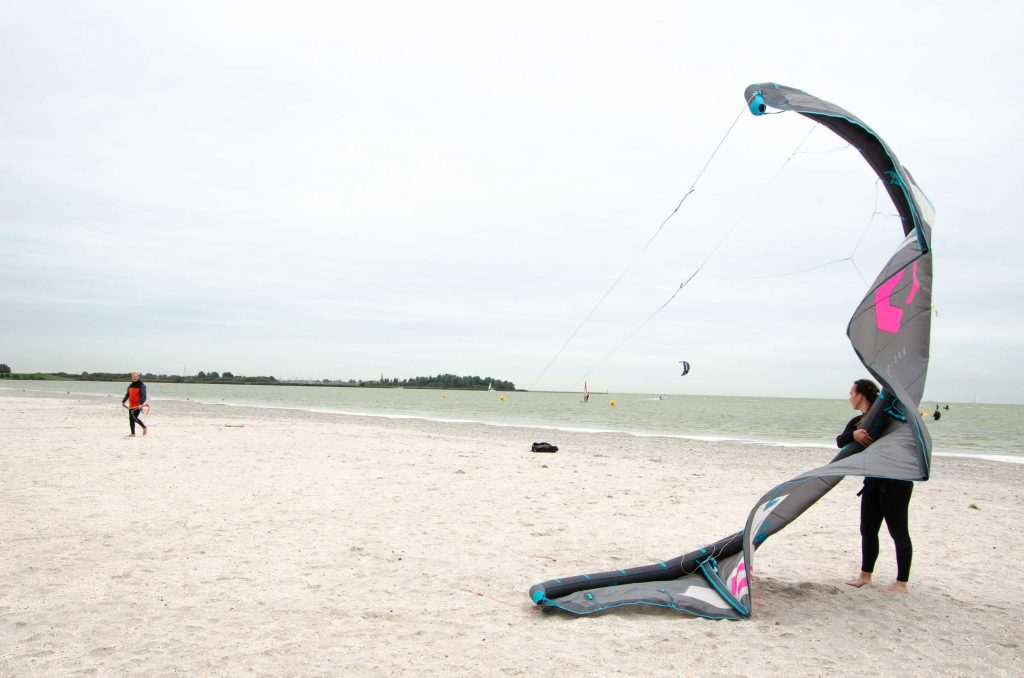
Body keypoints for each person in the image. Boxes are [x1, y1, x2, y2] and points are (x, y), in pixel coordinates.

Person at [838, 378, 913, 594]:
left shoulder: (887, 417)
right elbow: (840, 441)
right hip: (872, 481)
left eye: (852, 393)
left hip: (896, 482)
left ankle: (901, 584)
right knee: (868, 530)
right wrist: (854, 435)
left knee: (898, 531)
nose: (850, 397)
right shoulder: (858, 422)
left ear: (861, 395)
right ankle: (865, 576)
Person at [122, 372, 148, 436]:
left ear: (139, 377)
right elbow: (128, 394)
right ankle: (133, 433)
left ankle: (144, 427)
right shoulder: (130, 385)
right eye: (133, 377)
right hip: (131, 405)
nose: (134, 378)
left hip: (138, 405)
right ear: (131, 377)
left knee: (134, 417)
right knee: (131, 419)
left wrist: (141, 403)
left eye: (136, 376)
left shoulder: (142, 385)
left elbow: (143, 395)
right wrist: (123, 401)